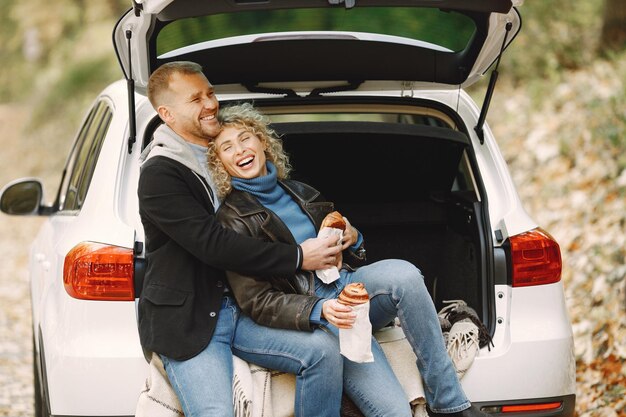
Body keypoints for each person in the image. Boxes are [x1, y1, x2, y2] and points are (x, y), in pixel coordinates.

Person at [209, 103, 494, 417]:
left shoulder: (300, 191)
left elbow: (347, 249)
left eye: (245, 139)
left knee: (406, 275)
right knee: (395, 413)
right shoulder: (232, 219)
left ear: (262, 141)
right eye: (227, 147)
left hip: (345, 287)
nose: (239, 150)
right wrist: (321, 310)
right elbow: (258, 301)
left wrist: (353, 236)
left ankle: (449, 402)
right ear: (220, 162)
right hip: (316, 313)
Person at [137, 61, 343, 417]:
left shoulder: (224, 153)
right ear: (166, 114)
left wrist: (343, 234)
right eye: (196, 99)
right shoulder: (160, 173)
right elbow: (213, 244)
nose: (210, 104)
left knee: (322, 351)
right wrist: (297, 257)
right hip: (192, 320)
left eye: (211, 93)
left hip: (247, 307)